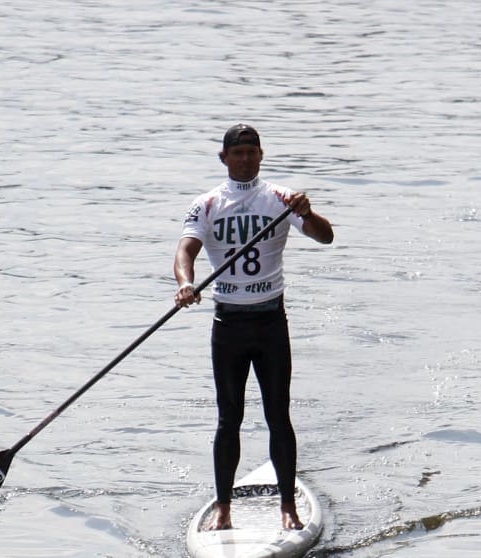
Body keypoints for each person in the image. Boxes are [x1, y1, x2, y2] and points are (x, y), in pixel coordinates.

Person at [173, 124, 334, 531]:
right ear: (223, 158)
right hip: (228, 324)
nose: (244, 158)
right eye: (237, 152)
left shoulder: (281, 200)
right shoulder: (206, 204)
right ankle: (223, 509)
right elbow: (185, 250)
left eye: (251, 151)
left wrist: (307, 212)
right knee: (229, 419)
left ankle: (288, 508)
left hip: (269, 324)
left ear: (261, 155)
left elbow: (325, 237)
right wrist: (186, 284)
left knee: (278, 415)